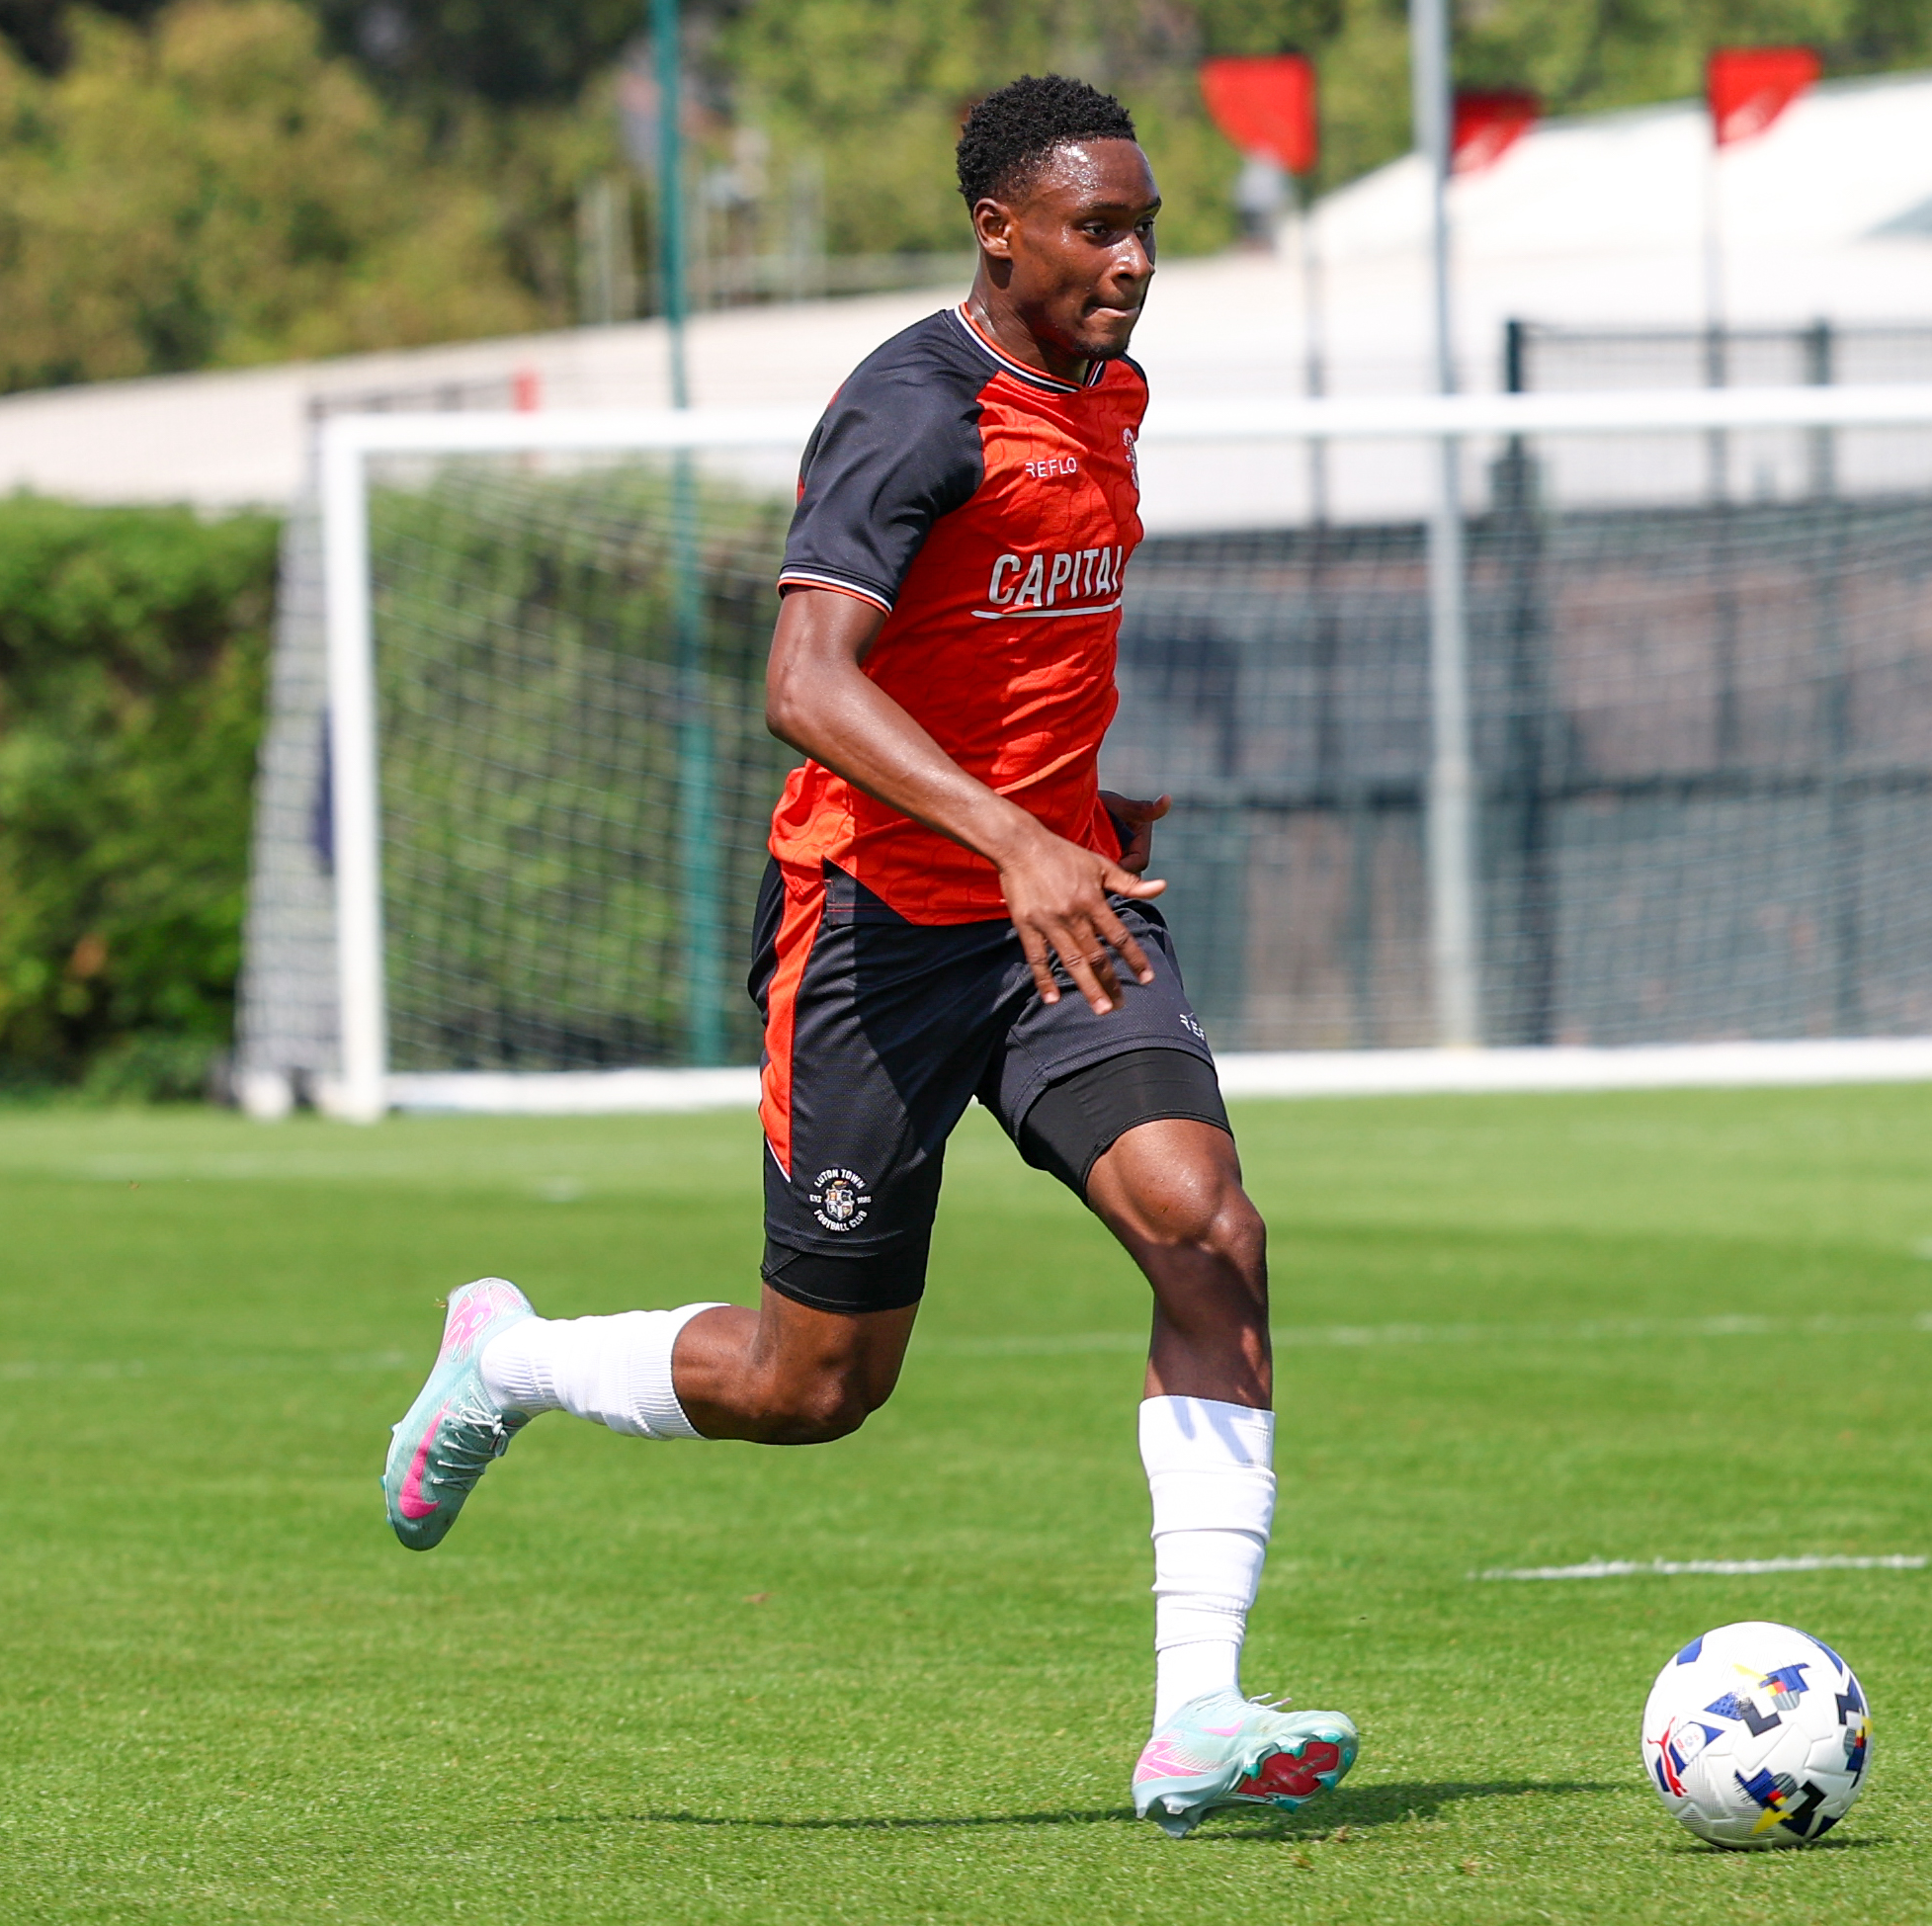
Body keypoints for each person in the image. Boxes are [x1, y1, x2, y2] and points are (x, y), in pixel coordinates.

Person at [377, 73, 1356, 1838]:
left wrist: (1071, 804)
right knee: (811, 1384)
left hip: (1063, 916)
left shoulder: (1108, 386)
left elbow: (1003, 644)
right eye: (1098, 228)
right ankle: (512, 1356)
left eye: (1147, 226)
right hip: (879, 936)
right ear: (1001, 227)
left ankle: (1193, 1712)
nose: (1134, 259)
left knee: (1209, 1230)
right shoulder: (912, 413)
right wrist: (1011, 831)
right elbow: (805, 684)